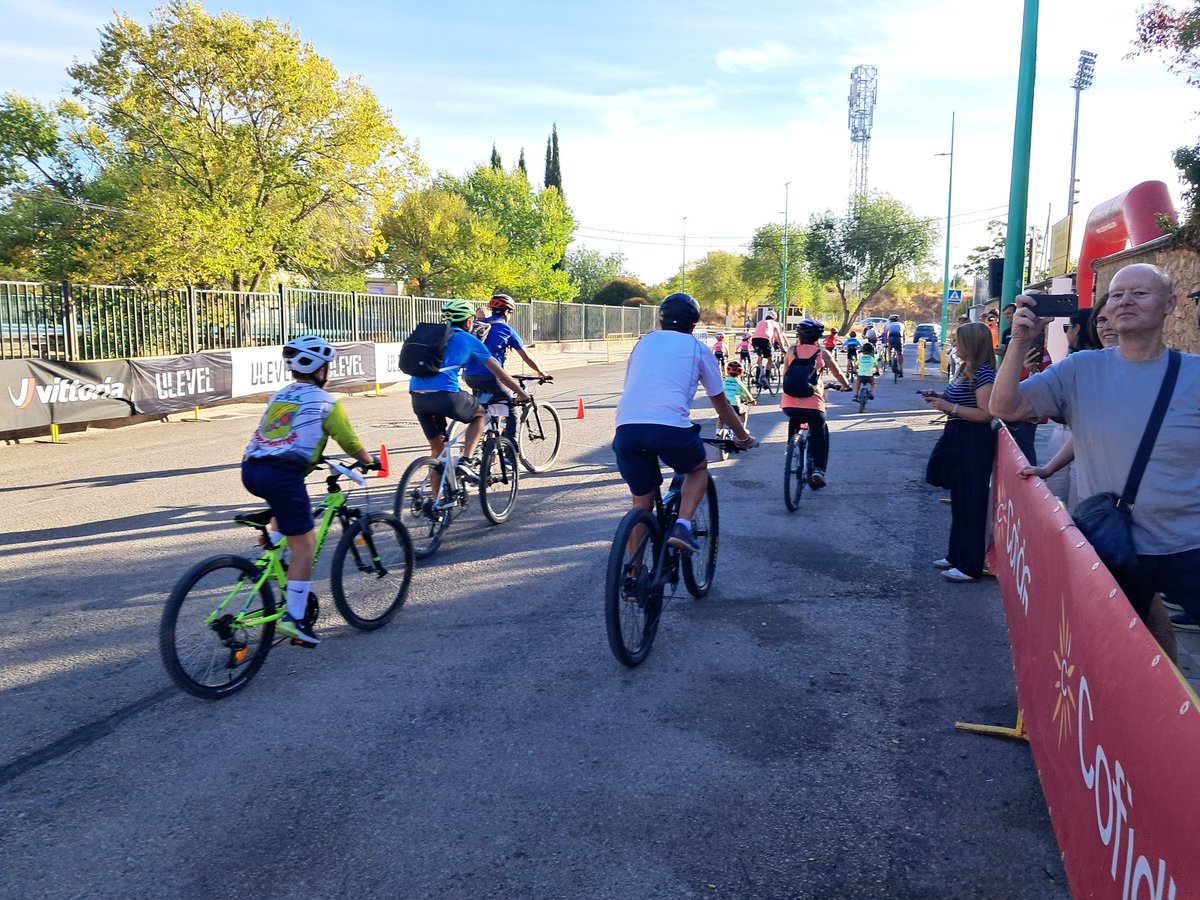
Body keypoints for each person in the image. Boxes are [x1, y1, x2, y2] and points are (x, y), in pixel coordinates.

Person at [991, 263, 1200, 660]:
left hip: (1188, 544)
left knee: (1153, 624)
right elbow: (1004, 406)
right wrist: (1018, 342)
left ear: (1170, 304)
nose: (1125, 301)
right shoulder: (1080, 370)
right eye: (1117, 294)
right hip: (1112, 541)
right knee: (1128, 644)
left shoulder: (1194, 373)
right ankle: (1151, 718)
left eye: (1140, 293)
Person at [242, 335, 378, 645]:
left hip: (251, 469)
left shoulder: (282, 395)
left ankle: (270, 555)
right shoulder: (328, 403)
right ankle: (295, 620)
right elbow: (350, 442)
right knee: (305, 544)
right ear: (321, 371)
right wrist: (369, 462)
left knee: (284, 512)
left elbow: (282, 433)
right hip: (282, 477)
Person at [613, 293, 756, 552]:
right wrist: (742, 437)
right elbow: (721, 403)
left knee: (641, 501)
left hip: (627, 429)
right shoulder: (699, 349)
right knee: (697, 469)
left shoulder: (643, 344)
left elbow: (630, 385)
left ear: (661, 321)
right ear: (694, 325)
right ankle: (682, 525)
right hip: (670, 430)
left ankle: (633, 579)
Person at [410, 299, 529, 487]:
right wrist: (521, 393)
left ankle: (437, 506)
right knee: (479, 414)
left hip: (417, 397)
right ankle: (466, 461)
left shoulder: (433, 336)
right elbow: (499, 373)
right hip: (445, 396)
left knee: (438, 453)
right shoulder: (470, 340)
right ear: (468, 321)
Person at [923, 322, 996, 583]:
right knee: (959, 500)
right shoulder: (968, 370)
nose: (955, 346)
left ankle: (970, 564)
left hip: (973, 440)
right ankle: (956, 555)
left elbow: (985, 413)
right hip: (959, 436)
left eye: (959, 342)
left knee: (971, 503)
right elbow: (961, 401)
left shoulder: (984, 374)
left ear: (972, 345)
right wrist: (940, 397)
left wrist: (949, 406)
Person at [463, 293, 549, 443]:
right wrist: (540, 372)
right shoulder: (506, 329)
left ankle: (480, 445)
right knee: (512, 406)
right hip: (491, 378)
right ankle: (511, 457)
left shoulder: (478, 325)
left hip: (471, 377)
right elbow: (526, 356)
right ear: (507, 312)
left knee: (483, 408)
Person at [780, 319, 852, 489]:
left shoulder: (791, 351)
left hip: (789, 404)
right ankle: (818, 470)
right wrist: (846, 385)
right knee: (818, 434)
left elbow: (785, 375)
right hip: (814, 405)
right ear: (818, 337)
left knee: (795, 419)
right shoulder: (822, 353)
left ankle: (791, 446)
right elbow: (838, 373)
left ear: (799, 335)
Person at [751, 311, 786, 386]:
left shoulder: (760, 322)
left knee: (760, 357)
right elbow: (779, 337)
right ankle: (766, 377)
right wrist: (783, 349)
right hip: (765, 339)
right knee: (770, 359)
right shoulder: (775, 323)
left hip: (754, 340)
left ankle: (757, 377)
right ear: (774, 318)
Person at [721, 360, 755, 428]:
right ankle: (743, 428)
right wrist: (752, 401)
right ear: (741, 372)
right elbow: (748, 395)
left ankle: (718, 432)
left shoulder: (724, 382)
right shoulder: (739, 383)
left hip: (724, 405)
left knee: (721, 419)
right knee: (744, 411)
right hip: (735, 405)